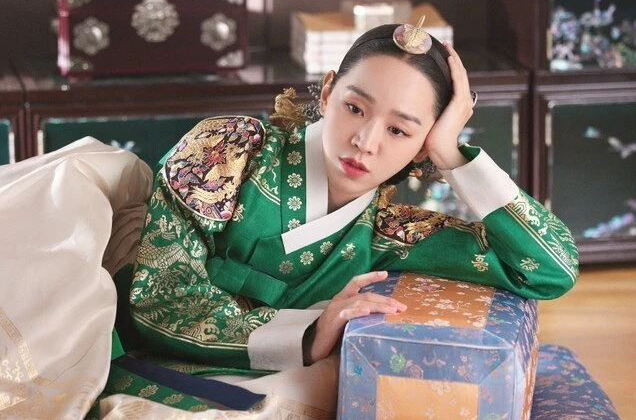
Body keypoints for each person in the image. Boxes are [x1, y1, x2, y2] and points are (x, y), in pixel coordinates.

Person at [0, 22, 578, 419]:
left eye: (400, 130)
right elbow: (159, 299)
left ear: (424, 143)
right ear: (326, 93)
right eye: (354, 106)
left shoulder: (390, 233)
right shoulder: (230, 149)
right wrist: (307, 332)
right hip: (86, 322)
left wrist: (454, 153)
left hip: (203, 369)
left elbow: (549, 269)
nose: (365, 140)